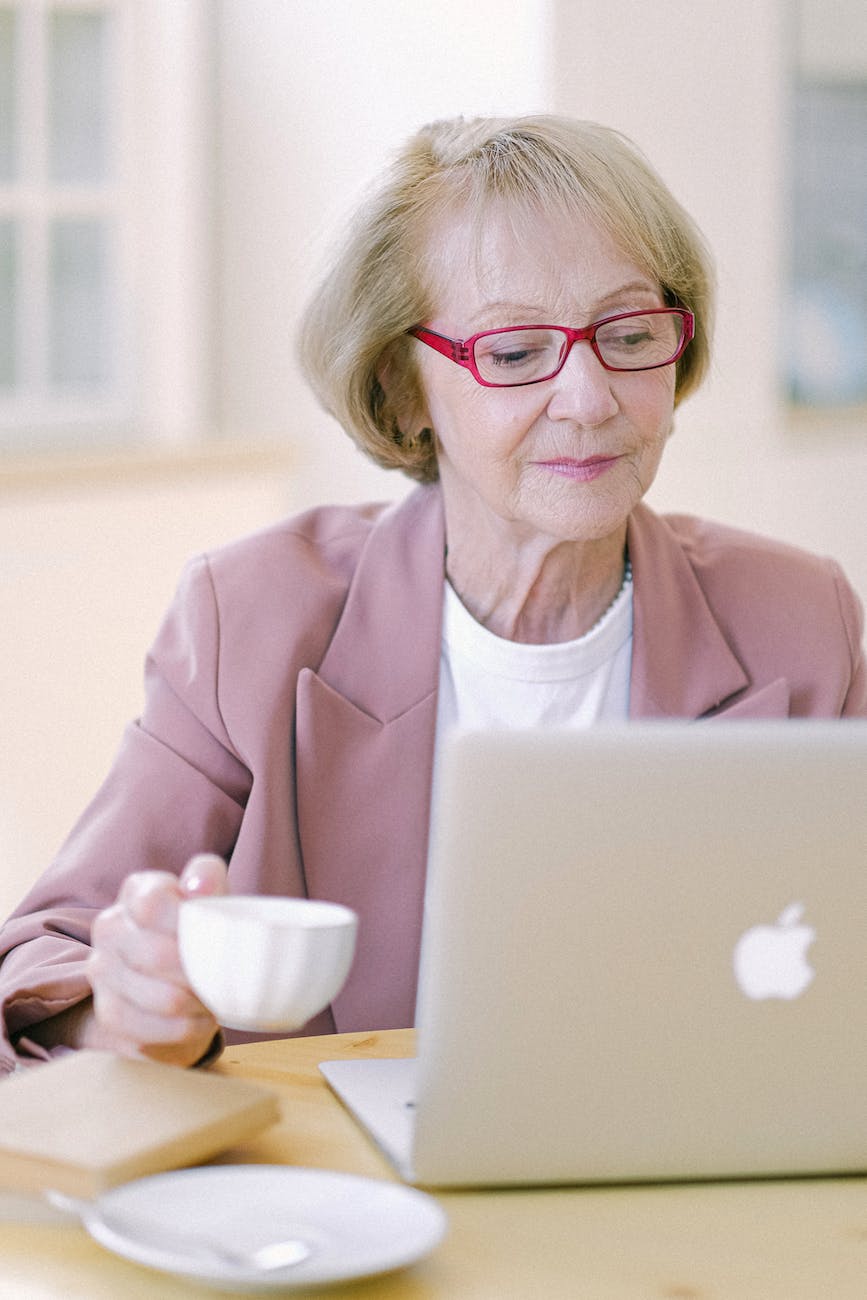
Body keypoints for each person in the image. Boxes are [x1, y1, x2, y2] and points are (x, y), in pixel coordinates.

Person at [1, 114, 864, 1075]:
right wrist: (120, 1010)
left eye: (627, 335)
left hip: (686, 1195)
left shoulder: (800, 621)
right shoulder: (253, 616)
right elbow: (40, 965)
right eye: (511, 353)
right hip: (338, 1205)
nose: (589, 398)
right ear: (402, 388)